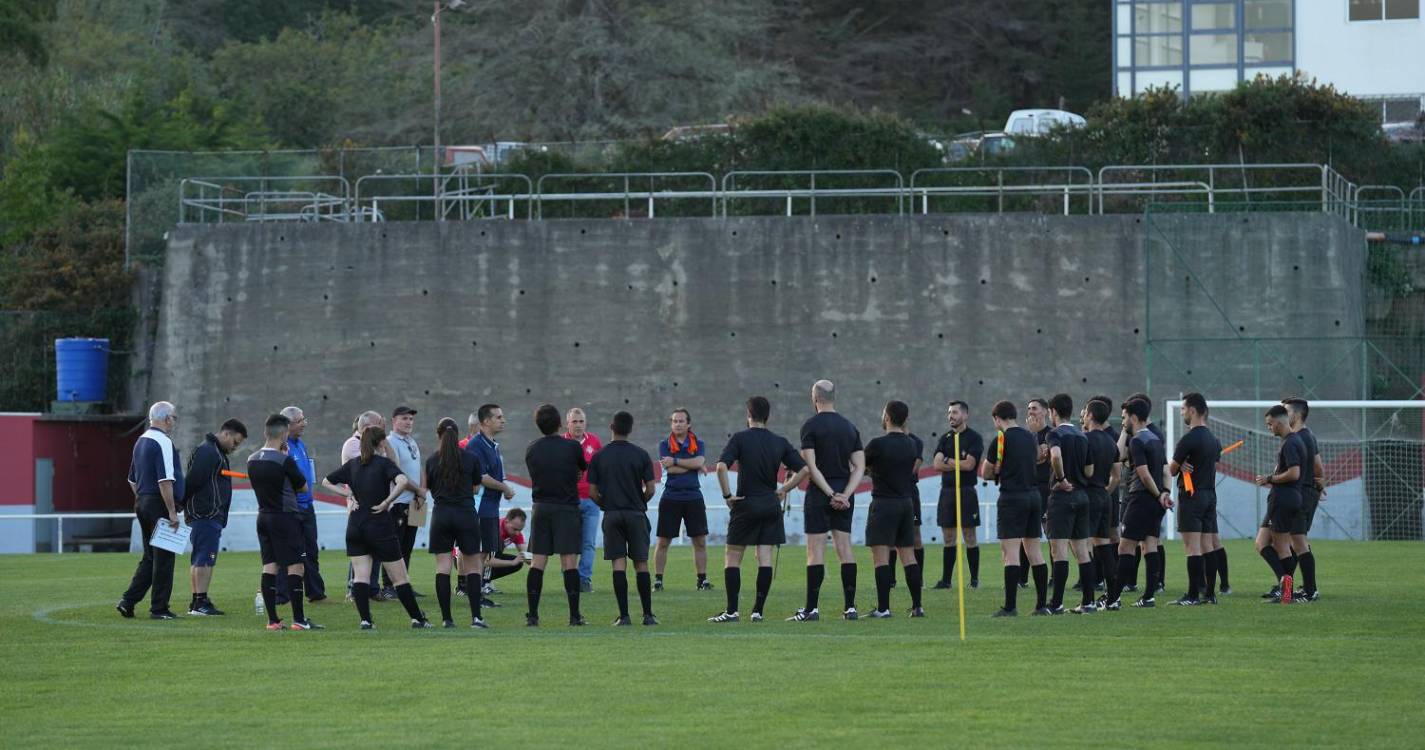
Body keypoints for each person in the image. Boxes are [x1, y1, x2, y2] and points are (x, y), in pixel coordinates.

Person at [708, 396, 809, 623]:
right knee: (764, 557)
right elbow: (804, 470)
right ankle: (757, 612)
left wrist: (727, 496)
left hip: (745, 504)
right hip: (770, 504)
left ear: (748, 415)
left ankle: (732, 611)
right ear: (768, 416)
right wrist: (784, 489)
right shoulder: (779, 441)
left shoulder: (739, 439)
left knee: (733, 556)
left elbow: (721, 467)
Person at [323, 425, 432, 629]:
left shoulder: (353, 464)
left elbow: (326, 481)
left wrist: (349, 495)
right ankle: (418, 618)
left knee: (361, 576)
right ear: (382, 442)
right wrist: (387, 501)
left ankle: (365, 621)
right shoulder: (384, 463)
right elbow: (402, 481)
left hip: (355, 525)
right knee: (400, 577)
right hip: (379, 524)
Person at [792, 379, 865, 622]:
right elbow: (859, 467)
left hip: (819, 494)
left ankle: (811, 609)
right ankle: (850, 608)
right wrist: (845, 494)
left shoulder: (810, 426)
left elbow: (811, 467)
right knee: (845, 548)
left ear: (814, 398)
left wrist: (830, 494)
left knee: (815, 551)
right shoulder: (850, 427)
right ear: (834, 397)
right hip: (844, 493)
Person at [248, 414, 320, 630]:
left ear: (265, 432)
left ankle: (273, 620)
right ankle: (299, 620)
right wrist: (286, 458)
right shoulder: (284, 460)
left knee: (270, 565)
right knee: (295, 565)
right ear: (284, 434)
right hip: (286, 517)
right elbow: (303, 487)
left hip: (263, 516)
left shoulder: (252, 459)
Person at [588, 411, 659, 626]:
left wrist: (606, 505)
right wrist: (639, 502)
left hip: (612, 515)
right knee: (641, 563)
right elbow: (651, 489)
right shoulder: (641, 454)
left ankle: (624, 616)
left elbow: (592, 492)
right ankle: (648, 615)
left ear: (611, 427)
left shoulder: (599, 456)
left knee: (618, 563)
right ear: (631, 429)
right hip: (636, 514)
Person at [117, 401, 186, 621]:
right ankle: (159, 608)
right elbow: (165, 480)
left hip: (143, 502)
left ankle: (128, 601)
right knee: (164, 557)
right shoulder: (163, 442)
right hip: (159, 504)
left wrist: (142, 498)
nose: (174, 422)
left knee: (150, 557)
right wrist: (172, 512)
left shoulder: (140, 441)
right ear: (166, 419)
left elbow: (131, 479)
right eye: (174, 418)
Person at [981, 400, 1048, 617]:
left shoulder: (1001, 439)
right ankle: (1041, 605)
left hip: (1012, 497)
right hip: (1034, 496)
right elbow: (1037, 458)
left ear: (997, 418)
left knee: (1010, 553)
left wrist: (999, 470)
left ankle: (1010, 607)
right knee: (1034, 552)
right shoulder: (1029, 437)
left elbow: (986, 472)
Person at [524, 404, 589, 627]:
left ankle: (533, 616)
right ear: (561, 423)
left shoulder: (532, 449)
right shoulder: (572, 447)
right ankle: (574, 616)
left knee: (537, 562)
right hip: (567, 508)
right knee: (569, 562)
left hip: (541, 507)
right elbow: (581, 469)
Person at [1103, 398, 1171, 610]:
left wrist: (1158, 494)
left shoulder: (1137, 441)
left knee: (1125, 546)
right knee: (1150, 544)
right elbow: (1166, 471)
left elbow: (1143, 473)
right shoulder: (1156, 439)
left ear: (1133, 417)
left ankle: (1113, 599)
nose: (1123, 422)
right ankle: (1149, 597)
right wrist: (1165, 493)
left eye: (1124, 417)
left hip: (1140, 498)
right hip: (1155, 502)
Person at [863, 400, 926, 618]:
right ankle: (917, 606)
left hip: (883, 504)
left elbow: (861, 466)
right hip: (906, 504)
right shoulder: (912, 444)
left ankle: (883, 608)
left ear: (887, 417)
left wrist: (871, 470)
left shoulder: (877, 444)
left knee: (881, 558)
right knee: (908, 556)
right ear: (905, 419)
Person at [426, 417, 489, 629]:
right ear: (457, 435)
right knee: (472, 566)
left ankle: (447, 619)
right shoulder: (471, 458)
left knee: (443, 567)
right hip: (466, 515)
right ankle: (476, 618)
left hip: (441, 515)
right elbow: (476, 488)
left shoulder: (432, 460)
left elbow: (429, 488)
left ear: (438, 435)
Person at [181, 419, 247, 616]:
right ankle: (200, 602)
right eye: (235, 442)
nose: (235, 447)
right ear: (226, 434)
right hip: (205, 514)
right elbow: (193, 481)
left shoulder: (214, 451)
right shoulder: (208, 451)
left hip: (208, 515)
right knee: (204, 558)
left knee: (202, 557)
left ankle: (198, 601)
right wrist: (180, 504)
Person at [1168, 392, 1221, 606]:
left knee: (1192, 547)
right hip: (1210, 495)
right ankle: (1210, 594)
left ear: (1192, 410)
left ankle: (1192, 595)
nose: (1182, 413)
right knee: (1208, 545)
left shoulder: (1189, 439)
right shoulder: (1213, 440)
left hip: (1192, 495)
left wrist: (1180, 465)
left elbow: (1172, 469)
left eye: (1183, 409)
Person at [1043, 394, 1095, 614]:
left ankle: (1056, 604)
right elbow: (1090, 470)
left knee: (1059, 551)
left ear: (1053, 411)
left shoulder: (1054, 434)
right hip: (1082, 495)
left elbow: (1056, 456)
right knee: (1082, 551)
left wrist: (1062, 478)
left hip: (1062, 497)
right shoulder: (1082, 436)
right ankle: (1089, 602)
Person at [463, 405, 517, 603]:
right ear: (486, 421)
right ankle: (475, 596)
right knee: (479, 553)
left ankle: (478, 592)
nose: (503, 420)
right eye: (499, 417)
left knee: (485, 553)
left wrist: (504, 489)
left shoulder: (492, 444)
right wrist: (504, 488)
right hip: (480, 508)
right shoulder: (477, 444)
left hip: (490, 508)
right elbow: (481, 477)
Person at [654, 408, 712, 592]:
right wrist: (693, 465)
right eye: (675, 421)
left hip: (694, 496)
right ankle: (658, 580)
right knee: (663, 542)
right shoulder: (664, 444)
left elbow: (698, 462)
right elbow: (670, 469)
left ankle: (702, 580)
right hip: (671, 496)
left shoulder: (699, 443)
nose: (678, 424)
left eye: (681, 421)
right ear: (671, 424)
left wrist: (676, 461)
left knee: (699, 541)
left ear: (689, 424)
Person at [274, 406, 325, 604]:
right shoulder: (281, 447)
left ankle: (316, 593)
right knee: (287, 552)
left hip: (307, 507)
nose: (304, 424)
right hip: (291, 508)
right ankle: (282, 595)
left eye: (304, 419)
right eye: (300, 421)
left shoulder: (300, 444)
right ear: (287, 424)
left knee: (311, 551)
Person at [1255, 405, 1304, 604]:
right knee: (1261, 543)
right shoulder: (1293, 440)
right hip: (1285, 498)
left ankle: (1286, 591)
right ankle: (1284, 586)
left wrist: (1270, 478)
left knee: (1282, 547)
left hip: (1283, 499)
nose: (1269, 427)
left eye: (1270, 424)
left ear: (1279, 422)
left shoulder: (1290, 443)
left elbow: (1294, 473)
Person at [932, 400, 983, 590]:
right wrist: (956, 462)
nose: (950, 416)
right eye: (949, 413)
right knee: (948, 537)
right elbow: (936, 464)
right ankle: (946, 581)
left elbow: (970, 465)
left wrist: (947, 459)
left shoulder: (974, 438)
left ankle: (974, 580)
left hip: (967, 492)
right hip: (947, 492)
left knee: (969, 535)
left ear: (965, 415)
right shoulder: (945, 438)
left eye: (954, 412)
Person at [1283, 397, 1325, 602]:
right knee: (1294, 542)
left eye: (1286, 412)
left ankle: (1310, 590)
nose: (1283, 416)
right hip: (1305, 494)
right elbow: (1318, 467)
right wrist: (1319, 485)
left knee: (1297, 542)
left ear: (1297, 414)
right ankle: (1289, 587)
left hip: (1300, 495)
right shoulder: (1308, 436)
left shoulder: (1299, 438)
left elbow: (1311, 469)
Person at [341, 410, 386, 600]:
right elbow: (371, 467)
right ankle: (354, 589)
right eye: (380, 424)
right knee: (360, 549)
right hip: (360, 506)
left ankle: (372, 588)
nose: (383, 427)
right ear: (368, 427)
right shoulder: (353, 444)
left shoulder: (374, 445)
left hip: (375, 505)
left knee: (375, 548)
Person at [385, 405, 428, 596]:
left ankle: (404, 584)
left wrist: (421, 492)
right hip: (398, 502)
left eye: (411, 419)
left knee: (407, 547)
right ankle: (389, 586)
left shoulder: (411, 441)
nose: (409, 422)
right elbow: (397, 473)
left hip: (415, 502)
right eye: (404, 418)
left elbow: (418, 468)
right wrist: (418, 490)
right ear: (394, 421)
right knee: (394, 547)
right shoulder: (390, 442)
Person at [1081, 398, 1120, 601]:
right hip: (1105, 497)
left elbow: (1082, 470)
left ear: (1090, 415)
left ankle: (1087, 600)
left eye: (1085, 413)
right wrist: (1105, 491)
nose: (1083, 417)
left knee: (1084, 547)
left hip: (1088, 496)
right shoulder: (1111, 442)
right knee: (1104, 546)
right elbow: (1117, 476)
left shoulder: (1084, 439)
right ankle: (1113, 597)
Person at [564, 408, 604, 593]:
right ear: (567, 424)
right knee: (569, 544)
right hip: (568, 501)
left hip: (590, 500)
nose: (578, 425)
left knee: (588, 543)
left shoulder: (594, 441)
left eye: (581, 421)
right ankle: (570, 578)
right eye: (574, 421)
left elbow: (602, 467)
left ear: (585, 423)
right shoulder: (561, 443)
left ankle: (584, 579)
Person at [1023, 397, 1051, 588]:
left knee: (1051, 534)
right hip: (1030, 489)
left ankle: (1055, 577)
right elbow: (1031, 459)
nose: (1030, 411)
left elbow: (1039, 457)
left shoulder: (1051, 434)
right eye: (1029, 408)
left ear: (1045, 411)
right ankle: (1022, 579)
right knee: (1026, 533)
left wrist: (1034, 439)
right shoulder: (1026, 436)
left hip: (1047, 488)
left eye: (1034, 408)